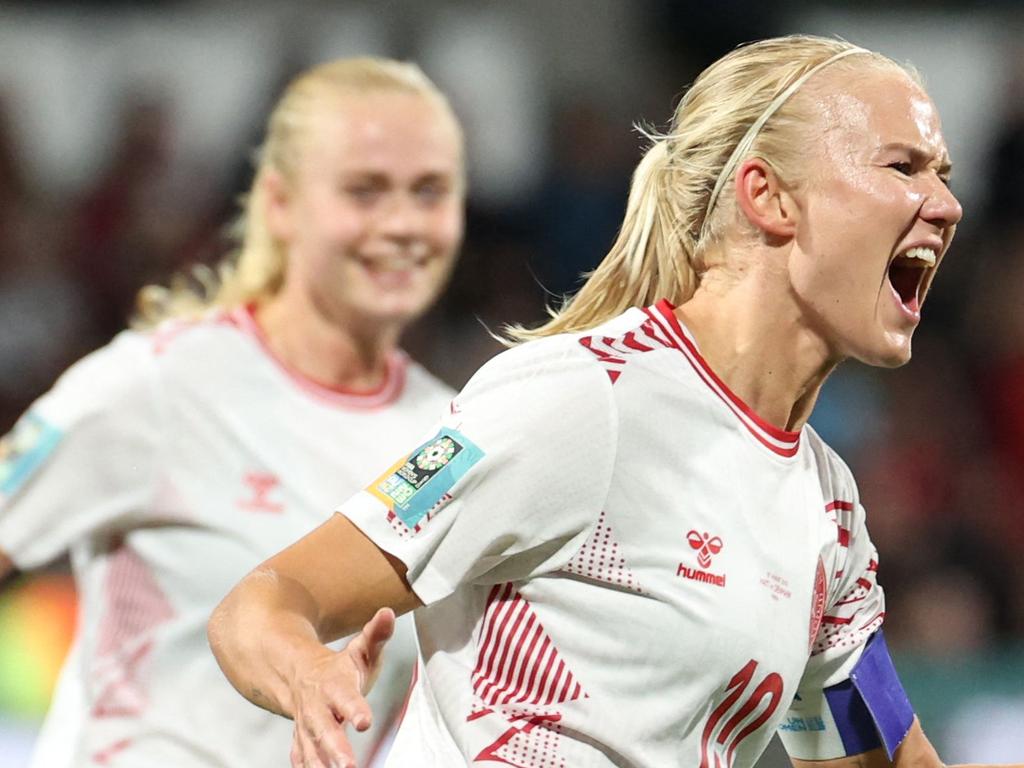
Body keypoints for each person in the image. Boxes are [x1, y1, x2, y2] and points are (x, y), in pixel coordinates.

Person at [207, 36, 1011, 768]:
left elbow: (878, 762)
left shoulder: (827, 509)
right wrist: (308, 673)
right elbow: (265, 602)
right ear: (769, 198)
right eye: (903, 168)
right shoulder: (582, 402)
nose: (946, 204)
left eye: (943, 174)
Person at [0, 56, 465, 767]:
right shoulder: (159, 384)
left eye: (430, 192)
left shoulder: (450, 439)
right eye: (365, 191)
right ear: (279, 203)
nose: (403, 224)